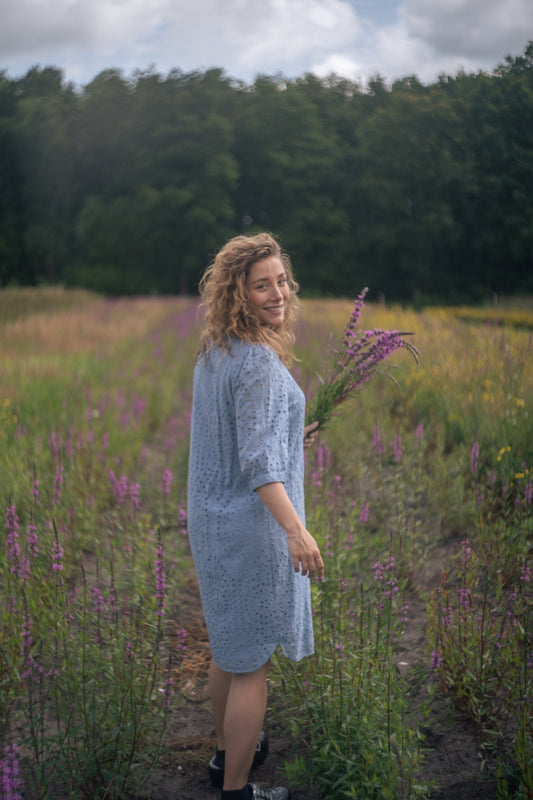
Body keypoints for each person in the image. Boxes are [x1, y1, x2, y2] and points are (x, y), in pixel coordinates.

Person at [187, 232, 324, 800]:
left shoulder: (216, 352)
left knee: (229, 647)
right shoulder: (260, 362)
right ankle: (238, 790)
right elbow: (258, 461)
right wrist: (296, 529)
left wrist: (296, 432)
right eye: (262, 285)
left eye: (281, 281)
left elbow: (243, 436)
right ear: (238, 293)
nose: (278, 293)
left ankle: (226, 757)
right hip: (251, 527)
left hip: (212, 521)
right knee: (252, 666)